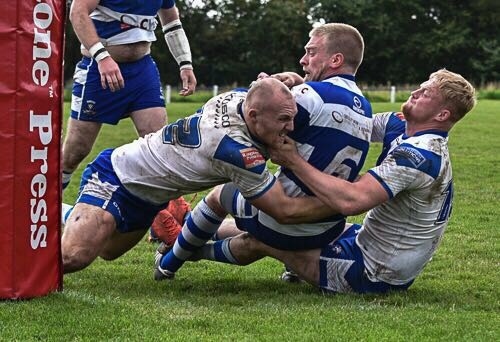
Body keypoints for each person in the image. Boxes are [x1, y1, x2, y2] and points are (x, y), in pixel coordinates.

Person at [188, 69, 477, 294]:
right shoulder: (402, 126)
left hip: (374, 273)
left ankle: (186, 250)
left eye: (426, 93)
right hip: (370, 240)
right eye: (422, 86)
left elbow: (351, 201)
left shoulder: (419, 156)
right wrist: (299, 89)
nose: (416, 91)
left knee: (261, 240)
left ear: (441, 115)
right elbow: (349, 122)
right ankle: (185, 228)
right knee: (293, 224)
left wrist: (294, 161)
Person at [153, 23, 373, 280]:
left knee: (219, 196)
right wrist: (297, 81)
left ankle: (169, 262)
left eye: (311, 52)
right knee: (255, 234)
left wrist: (265, 86)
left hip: (284, 222)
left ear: (335, 59)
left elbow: (255, 108)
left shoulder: (309, 96)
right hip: (324, 229)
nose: (303, 60)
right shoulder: (365, 109)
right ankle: (293, 271)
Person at [61, 78, 333, 274]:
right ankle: (31, 236)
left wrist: (294, 80)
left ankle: (73, 214)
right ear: (253, 116)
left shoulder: (239, 97)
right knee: (75, 256)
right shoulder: (235, 151)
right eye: (284, 120)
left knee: (108, 250)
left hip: (149, 197)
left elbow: (264, 88)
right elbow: (284, 211)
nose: (292, 127)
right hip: (117, 176)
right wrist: (341, 201)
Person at [62, 0, 197, 190]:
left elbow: (172, 21)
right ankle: (44, 210)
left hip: (142, 69)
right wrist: (103, 58)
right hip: (98, 70)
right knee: (76, 151)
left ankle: (154, 214)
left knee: (159, 147)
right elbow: (78, 12)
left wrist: (185, 63)